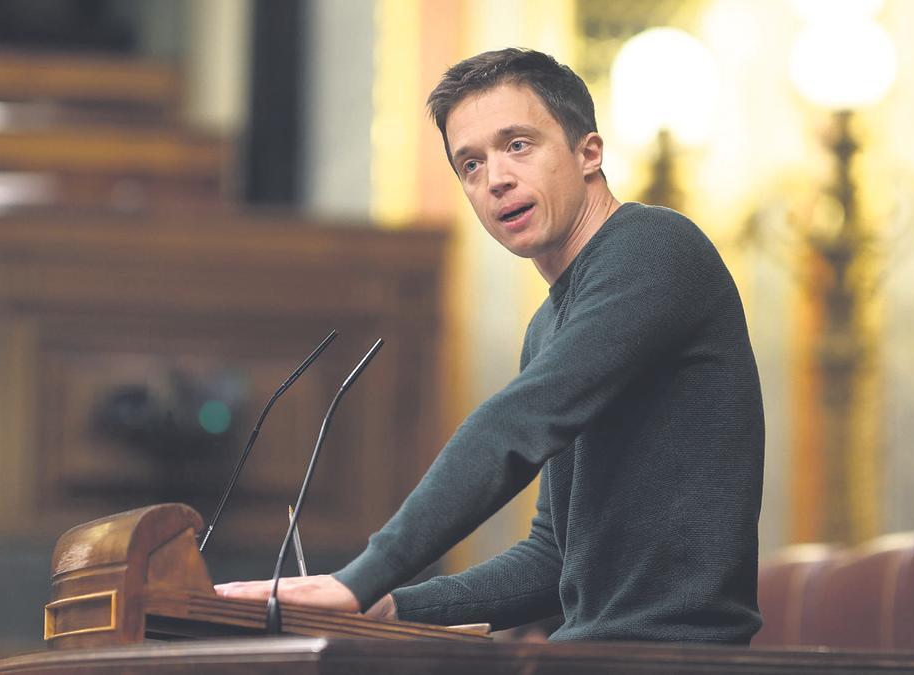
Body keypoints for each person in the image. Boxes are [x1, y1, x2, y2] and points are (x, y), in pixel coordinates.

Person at [216, 48, 765, 644]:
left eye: (518, 145)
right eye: (470, 164)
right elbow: (552, 558)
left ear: (589, 153)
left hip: (675, 655)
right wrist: (390, 606)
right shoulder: (547, 325)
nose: (496, 178)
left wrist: (361, 578)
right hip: (590, 653)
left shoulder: (655, 248)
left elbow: (519, 422)